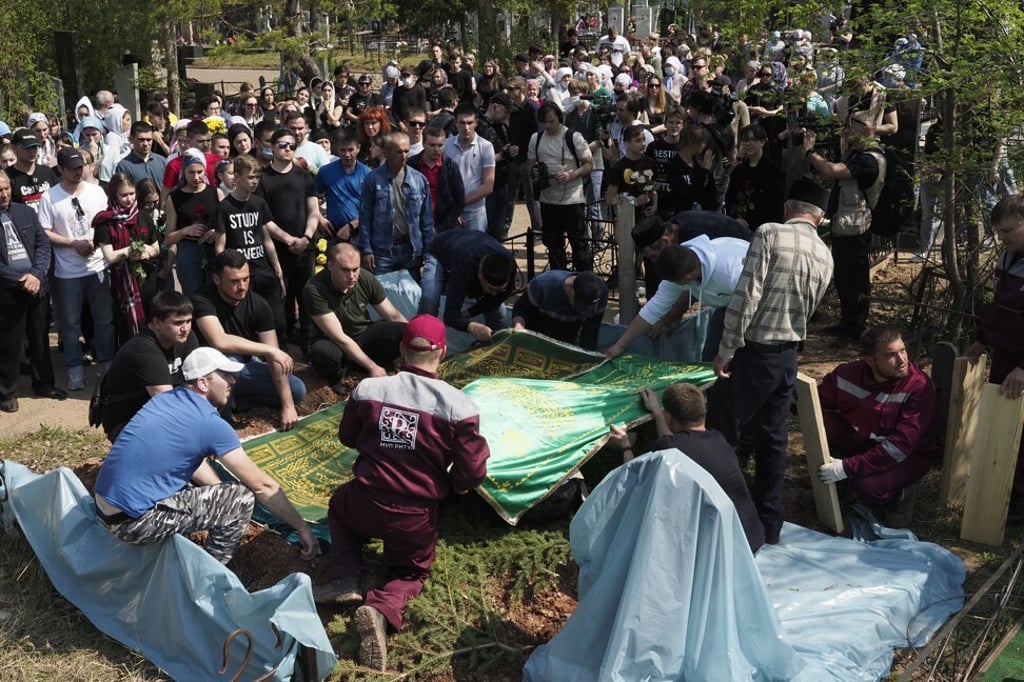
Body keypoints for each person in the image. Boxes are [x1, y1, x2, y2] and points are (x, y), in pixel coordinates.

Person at [314, 314, 489, 672]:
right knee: (411, 572)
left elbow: (348, 437)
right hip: (415, 516)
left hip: (365, 499)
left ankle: (345, 574)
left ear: (400, 350)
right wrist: (453, 486)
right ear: (442, 353)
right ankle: (381, 609)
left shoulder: (368, 390)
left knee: (338, 508)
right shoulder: (459, 407)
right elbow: (473, 471)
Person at [93, 346, 317, 565]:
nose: (232, 381)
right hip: (132, 524)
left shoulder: (167, 399)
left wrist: (218, 493)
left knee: (212, 492)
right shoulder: (209, 424)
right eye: (225, 375)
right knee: (240, 498)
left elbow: (192, 459)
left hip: (104, 508)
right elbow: (262, 486)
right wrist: (302, 527)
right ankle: (211, 572)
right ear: (202, 383)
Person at [709, 179, 835, 545]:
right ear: (820, 216)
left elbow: (747, 295)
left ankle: (728, 521)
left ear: (787, 208)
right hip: (788, 357)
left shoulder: (769, 234)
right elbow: (810, 308)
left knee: (723, 434)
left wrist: (726, 348)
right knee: (773, 442)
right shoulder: (826, 255)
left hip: (753, 352)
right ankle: (768, 522)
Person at [608, 383, 765, 553]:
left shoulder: (671, 449)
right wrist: (659, 414)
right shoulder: (718, 438)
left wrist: (626, 446)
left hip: (724, 556)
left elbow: (634, 482)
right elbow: (671, 444)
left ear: (670, 419)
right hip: (752, 539)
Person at [816, 325, 939, 525]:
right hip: (866, 442)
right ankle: (842, 485)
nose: (902, 360)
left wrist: (846, 468)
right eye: (891, 355)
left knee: (867, 487)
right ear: (870, 360)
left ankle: (901, 495)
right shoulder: (847, 374)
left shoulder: (919, 387)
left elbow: (900, 447)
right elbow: (814, 400)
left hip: (909, 456)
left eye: (903, 350)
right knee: (820, 421)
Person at [192, 250, 306, 431]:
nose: (242, 286)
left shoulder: (258, 304)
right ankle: (222, 413)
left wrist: (288, 405)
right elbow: (219, 341)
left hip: (244, 368)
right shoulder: (202, 300)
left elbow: (274, 357)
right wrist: (268, 350)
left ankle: (234, 400)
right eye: (234, 281)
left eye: (246, 279)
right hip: (210, 372)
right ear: (216, 279)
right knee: (231, 361)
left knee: (296, 390)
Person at [805, 110, 886, 345]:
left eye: (852, 126)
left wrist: (810, 151)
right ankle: (846, 322)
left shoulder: (869, 159)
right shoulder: (856, 153)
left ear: (867, 129)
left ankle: (855, 329)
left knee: (855, 278)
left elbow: (831, 171)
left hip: (857, 226)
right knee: (843, 275)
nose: (847, 131)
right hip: (845, 222)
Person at [38, 148, 115, 391]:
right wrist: (72, 243)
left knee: (104, 320)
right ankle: (74, 369)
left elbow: (108, 221)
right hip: (68, 271)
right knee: (70, 324)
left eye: (80, 167)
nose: (77, 172)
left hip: (97, 266)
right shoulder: (50, 197)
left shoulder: (97, 192)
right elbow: (45, 231)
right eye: (72, 168)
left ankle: (106, 365)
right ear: (60, 169)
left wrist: (97, 240)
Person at [965, 195, 1024, 512]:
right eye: (998, 232)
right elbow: (998, 307)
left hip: (1021, 366)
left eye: (1008, 231)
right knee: (1005, 426)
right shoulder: (1006, 258)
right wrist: (982, 339)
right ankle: (1005, 490)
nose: (1002, 238)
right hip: (1004, 357)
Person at [607, 236, 749, 361]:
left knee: (740, 358)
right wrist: (619, 345)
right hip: (728, 302)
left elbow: (748, 309)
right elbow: (653, 309)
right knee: (711, 356)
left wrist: (727, 354)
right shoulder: (682, 264)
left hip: (759, 303)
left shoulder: (730, 275)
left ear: (687, 278)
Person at [0, 170, 65, 411]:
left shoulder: (25, 211)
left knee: (40, 340)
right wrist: (21, 280)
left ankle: (44, 383)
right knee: (10, 344)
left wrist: (37, 274)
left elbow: (43, 244)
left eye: (6, 188)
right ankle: (7, 392)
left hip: (37, 287)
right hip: (9, 292)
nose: (4, 194)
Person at [304, 242, 408, 390]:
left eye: (355, 269)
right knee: (322, 353)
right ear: (330, 266)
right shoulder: (314, 289)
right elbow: (339, 337)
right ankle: (339, 377)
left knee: (403, 330)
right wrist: (372, 367)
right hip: (336, 342)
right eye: (345, 270)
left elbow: (393, 314)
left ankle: (377, 365)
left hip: (364, 333)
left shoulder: (364, 278)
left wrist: (416, 343)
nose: (352, 276)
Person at [99, 290, 199, 441]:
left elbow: (198, 385)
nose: (185, 328)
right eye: (178, 323)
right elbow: (168, 406)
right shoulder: (143, 350)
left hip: (154, 414)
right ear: (157, 323)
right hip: (127, 422)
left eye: (188, 321)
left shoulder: (185, 337)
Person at [256, 128, 322, 350]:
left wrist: (305, 237)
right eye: (282, 145)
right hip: (277, 248)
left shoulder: (304, 176)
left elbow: (314, 211)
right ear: (272, 147)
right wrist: (287, 239)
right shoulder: (263, 178)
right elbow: (263, 218)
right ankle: (282, 343)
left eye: (292, 145)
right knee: (281, 296)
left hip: (305, 246)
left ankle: (308, 341)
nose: (287, 149)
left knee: (306, 296)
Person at [215, 155, 287, 343]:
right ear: (237, 177)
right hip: (240, 272)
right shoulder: (224, 207)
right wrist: (224, 275)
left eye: (257, 177)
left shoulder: (259, 203)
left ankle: (280, 353)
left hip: (262, 267)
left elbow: (266, 238)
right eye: (250, 177)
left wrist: (277, 267)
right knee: (246, 319)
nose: (255, 181)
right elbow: (220, 245)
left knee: (277, 318)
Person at [93, 173, 162, 344]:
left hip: (146, 278)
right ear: (114, 195)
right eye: (124, 195)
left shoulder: (143, 216)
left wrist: (148, 252)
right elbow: (109, 256)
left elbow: (156, 248)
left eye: (132, 193)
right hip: (122, 282)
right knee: (124, 325)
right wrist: (130, 251)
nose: (129, 199)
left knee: (150, 319)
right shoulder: (105, 222)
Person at [356, 131, 433, 276]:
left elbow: (426, 221)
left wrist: (427, 252)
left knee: (411, 295)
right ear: (387, 152)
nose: (403, 156)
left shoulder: (420, 180)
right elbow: (365, 218)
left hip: (411, 250)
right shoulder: (372, 179)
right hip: (382, 250)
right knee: (380, 295)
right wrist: (366, 250)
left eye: (406, 151)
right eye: (398, 152)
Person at [528, 103, 594, 272]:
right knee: (554, 246)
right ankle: (559, 281)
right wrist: (536, 172)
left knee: (579, 245)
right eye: (544, 122)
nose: (548, 126)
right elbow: (530, 165)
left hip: (572, 200)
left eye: (551, 121)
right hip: (548, 200)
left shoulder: (573, 137)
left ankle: (584, 281)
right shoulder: (536, 138)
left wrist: (571, 175)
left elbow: (589, 164)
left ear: (559, 118)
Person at [419, 229, 516, 342]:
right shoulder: (464, 265)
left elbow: (497, 299)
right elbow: (450, 315)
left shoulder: (509, 265)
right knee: (430, 299)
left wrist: (468, 314)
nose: (494, 293)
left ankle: (501, 344)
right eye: (490, 288)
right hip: (439, 252)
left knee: (497, 311)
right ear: (479, 276)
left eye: (499, 289)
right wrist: (472, 327)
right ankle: (422, 340)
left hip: (468, 245)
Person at [165, 149, 219, 298]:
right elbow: (168, 237)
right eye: (191, 172)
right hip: (188, 251)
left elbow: (225, 223)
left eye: (200, 171)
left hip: (213, 248)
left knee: (216, 294)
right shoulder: (175, 197)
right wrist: (185, 231)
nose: (196, 177)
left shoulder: (215, 192)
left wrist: (216, 232)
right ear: (184, 172)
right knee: (194, 296)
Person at [511, 270, 607, 350]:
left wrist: (588, 357)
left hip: (566, 343)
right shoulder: (543, 285)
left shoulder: (600, 292)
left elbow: (590, 331)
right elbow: (521, 308)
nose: (583, 311)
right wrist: (519, 326)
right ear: (570, 288)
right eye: (579, 305)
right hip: (535, 337)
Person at [443, 104, 495, 232]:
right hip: (450, 212)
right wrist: (453, 209)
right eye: (462, 123)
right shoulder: (446, 145)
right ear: (455, 123)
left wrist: (458, 205)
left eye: (470, 123)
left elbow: (488, 186)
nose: (466, 127)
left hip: (475, 213)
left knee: (476, 250)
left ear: (476, 123)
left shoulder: (486, 147)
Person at [316, 130, 371, 243]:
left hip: (360, 232)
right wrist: (319, 218)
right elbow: (311, 196)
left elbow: (373, 207)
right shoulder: (326, 172)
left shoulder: (367, 174)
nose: (347, 155)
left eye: (351, 150)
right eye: (343, 150)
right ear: (337, 149)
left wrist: (351, 226)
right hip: (333, 232)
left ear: (358, 148)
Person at [409, 126, 465, 234]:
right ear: (423, 144)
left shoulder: (450, 166)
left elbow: (459, 201)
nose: (436, 149)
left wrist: (440, 229)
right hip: (416, 226)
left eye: (440, 145)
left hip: (444, 228)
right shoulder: (412, 165)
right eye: (432, 145)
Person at [7, 130, 59, 212]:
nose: (31, 151)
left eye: (34, 147)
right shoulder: (6, 177)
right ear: (14, 148)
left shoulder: (47, 172)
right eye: (26, 148)